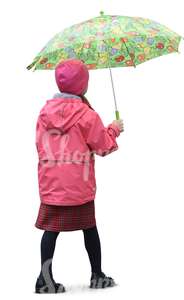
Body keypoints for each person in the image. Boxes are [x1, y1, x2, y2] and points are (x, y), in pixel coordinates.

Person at [34, 59, 124, 293]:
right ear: (83, 85)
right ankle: (97, 275)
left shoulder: (44, 112)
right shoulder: (86, 115)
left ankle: (44, 279)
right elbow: (103, 147)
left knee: (50, 231)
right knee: (89, 228)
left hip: (51, 185)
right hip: (79, 186)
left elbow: (40, 145)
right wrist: (114, 128)